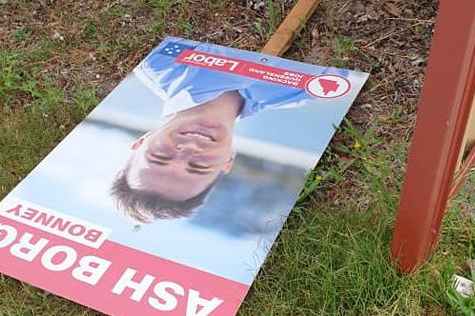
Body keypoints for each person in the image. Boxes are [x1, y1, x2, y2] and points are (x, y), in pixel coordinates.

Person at [111, 38, 343, 223]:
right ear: (228, 161)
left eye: (160, 157)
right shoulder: (305, 91)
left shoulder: (158, 61)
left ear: (142, 141)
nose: (189, 149)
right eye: (199, 166)